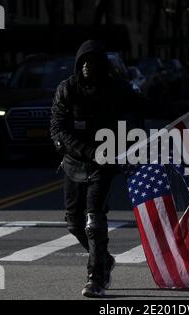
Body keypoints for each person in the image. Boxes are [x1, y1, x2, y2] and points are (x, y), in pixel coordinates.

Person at [50, 40, 145, 298]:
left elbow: (139, 112)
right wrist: (89, 151)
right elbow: (58, 129)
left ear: (103, 66)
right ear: (78, 65)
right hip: (74, 163)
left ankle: (96, 277)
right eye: (84, 62)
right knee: (74, 222)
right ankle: (104, 258)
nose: (88, 67)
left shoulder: (118, 89)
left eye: (93, 62)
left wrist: (125, 141)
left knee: (94, 220)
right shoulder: (67, 89)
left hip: (105, 164)